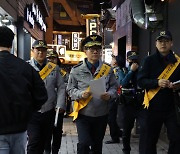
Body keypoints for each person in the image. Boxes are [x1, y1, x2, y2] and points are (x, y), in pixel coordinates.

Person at [67, 34, 118, 154]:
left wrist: (109, 95)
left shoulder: (108, 69)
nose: (95, 51)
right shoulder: (76, 70)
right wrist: (80, 94)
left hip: (101, 114)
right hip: (83, 113)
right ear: (85, 50)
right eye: (91, 49)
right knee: (84, 143)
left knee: (97, 145)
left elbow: (115, 87)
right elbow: (70, 89)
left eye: (98, 49)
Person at [0, 26, 47, 154]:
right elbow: (42, 95)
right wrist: (28, 111)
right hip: (20, 129)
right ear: (12, 44)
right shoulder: (25, 67)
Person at [138, 30, 180, 154]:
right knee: (148, 141)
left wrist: (176, 86)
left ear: (171, 43)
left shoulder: (177, 62)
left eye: (166, 41)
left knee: (176, 138)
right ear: (156, 44)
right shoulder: (148, 60)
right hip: (151, 106)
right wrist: (157, 82)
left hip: (171, 106)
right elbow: (141, 81)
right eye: (160, 41)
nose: (163, 44)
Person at [27, 40, 66, 154]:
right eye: (38, 50)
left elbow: (61, 87)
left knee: (45, 141)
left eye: (43, 50)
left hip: (49, 111)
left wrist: (59, 105)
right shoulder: (27, 67)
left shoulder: (54, 68)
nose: (40, 53)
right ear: (32, 51)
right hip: (32, 112)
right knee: (33, 141)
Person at [119, 51, 145, 154]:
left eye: (135, 59)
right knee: (127, 129)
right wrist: (131, 71)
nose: (134, 62)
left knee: (144, 127)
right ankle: (126, 150)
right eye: (132, 59)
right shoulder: (123, 70)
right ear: (128, 60)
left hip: (140, 101)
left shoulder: (142, 70)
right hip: (128, 102)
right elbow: (123, 83)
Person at [44, 49, 67, 154]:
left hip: (59, 106)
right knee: (47, 131)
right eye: (49, 58)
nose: (51, 60)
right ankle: (47, 150)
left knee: (57, 131)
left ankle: (55, 150)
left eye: (53, 58)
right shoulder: (42, 71)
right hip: (47, 106)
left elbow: (68, 84)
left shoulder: (62, 72)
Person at [105, 55, 123, 144]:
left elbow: (117, 84)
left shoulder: (116, 71)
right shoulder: (114, 70)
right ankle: (119, 133)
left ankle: (115, 137)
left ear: (115, 62)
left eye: (113, 59)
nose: (111, 61)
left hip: (113, 97)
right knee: (111, 118)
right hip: (112, 97)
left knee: (111, 118)